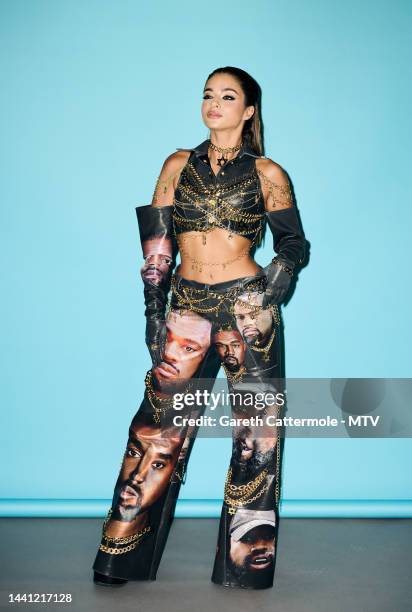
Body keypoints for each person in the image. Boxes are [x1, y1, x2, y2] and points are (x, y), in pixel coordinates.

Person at [92, 66, 307, 589]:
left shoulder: (268, 173)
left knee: (256, 438)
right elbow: (156, 249)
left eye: (227, 96)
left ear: (248, 110)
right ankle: (122, 557)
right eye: (208, 95)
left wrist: (269, 292)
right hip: (185, 307)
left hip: (246, 312)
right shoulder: (176, 164)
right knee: (157, 432)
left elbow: (294, 245)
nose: (214, 103)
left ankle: (243, 569)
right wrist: (152, 311)